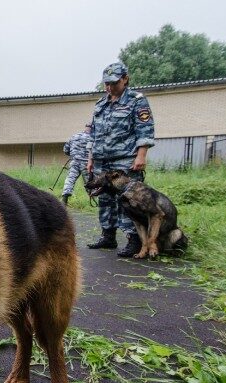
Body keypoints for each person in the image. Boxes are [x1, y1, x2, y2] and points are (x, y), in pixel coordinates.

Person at [86, 62, 155, 258]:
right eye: (106, 83)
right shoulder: (100, 104)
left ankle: (134, 240)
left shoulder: (136, 100)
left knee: (129, 200)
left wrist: (141, 155)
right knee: (105, 199)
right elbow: (94, 134)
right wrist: (90, 158)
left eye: (114, 82)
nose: (109, 87)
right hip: (101, 159)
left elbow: (145, 129)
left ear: (125, 78)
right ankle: (108, 236)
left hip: (125, 159)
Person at [61, 123, 91, 205]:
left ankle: (65, 198)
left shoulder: (74, 136)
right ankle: (93, 199)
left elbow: (66, 150)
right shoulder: (92, 138)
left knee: (70, 179)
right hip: (87, 163)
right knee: (89, 182)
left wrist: (73, 155)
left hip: (74, 162)